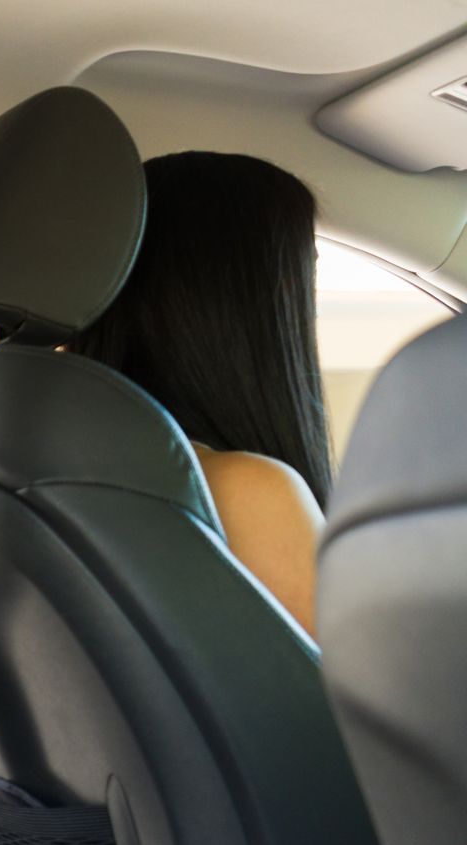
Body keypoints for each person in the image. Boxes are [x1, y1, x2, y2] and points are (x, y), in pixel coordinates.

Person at [75, 151, 330, 637]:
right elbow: (364, 709)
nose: (309, 312)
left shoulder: (43, 457)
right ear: (248, 299)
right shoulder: (243, 492)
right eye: (304, 279)